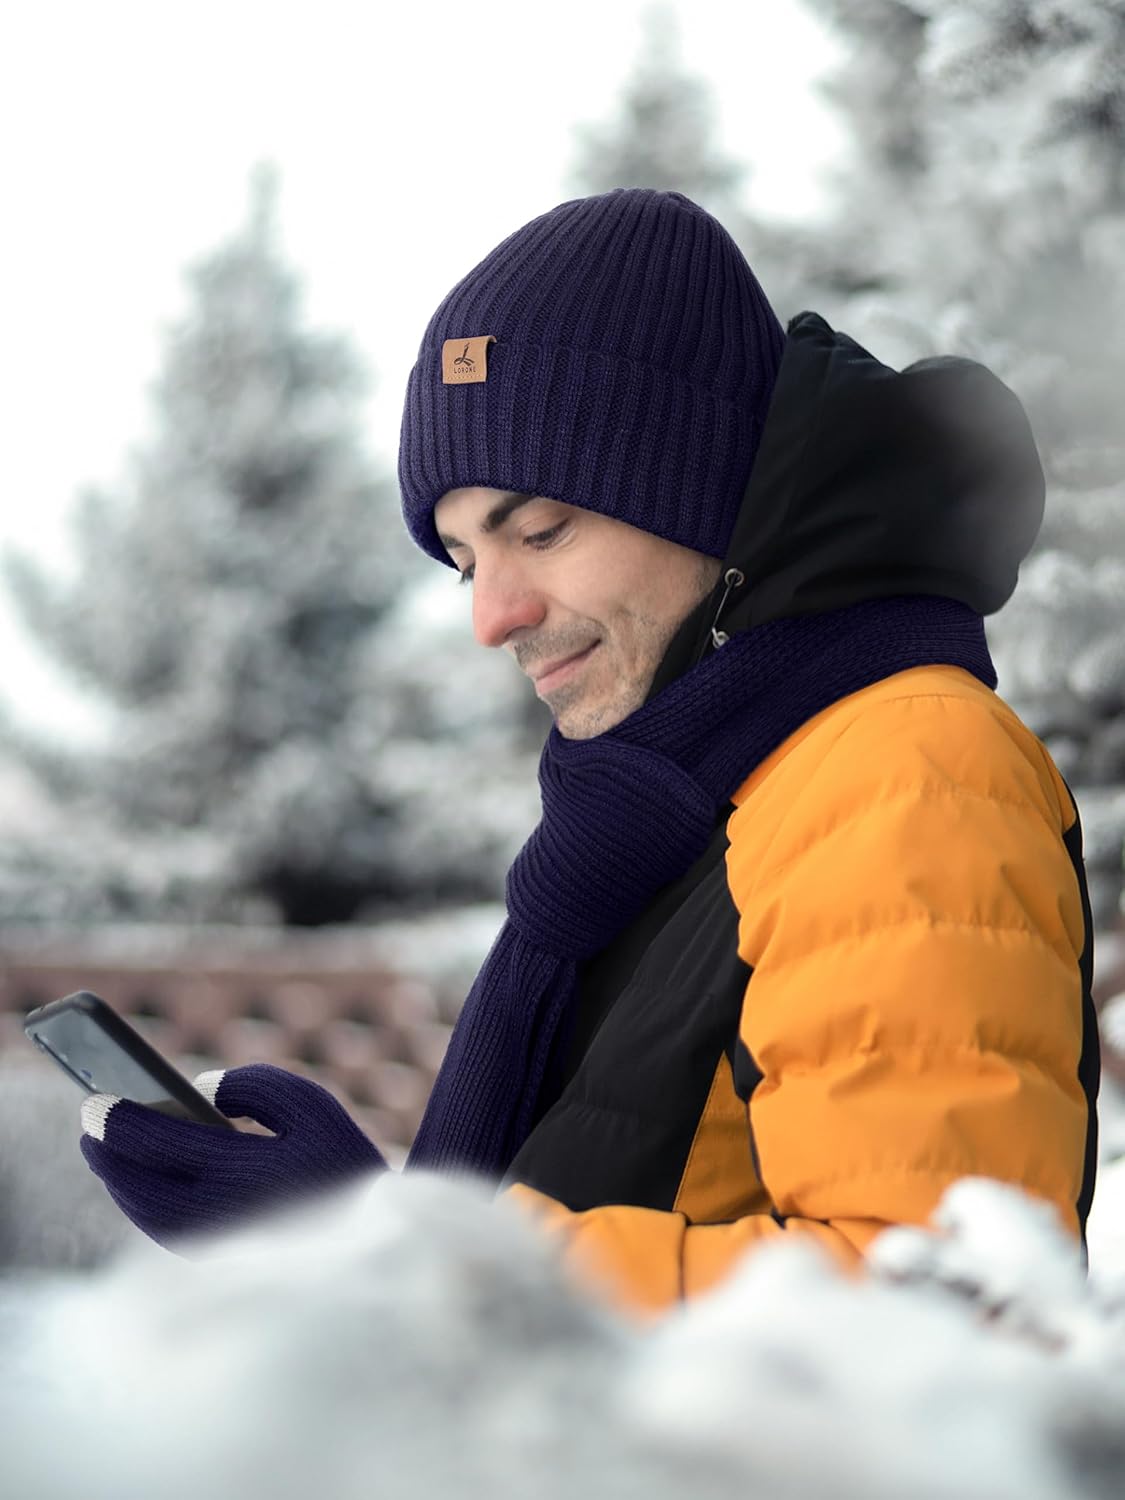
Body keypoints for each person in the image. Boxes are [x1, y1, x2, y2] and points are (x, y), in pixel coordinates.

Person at [79, 188, 1100, 1318]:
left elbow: (937, 1319)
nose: (493, 616)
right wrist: (371, 1232)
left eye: (542, 530)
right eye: (466, 562)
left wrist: (382, 1255)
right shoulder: (674, 807)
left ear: (703, 488)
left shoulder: (903, 771)